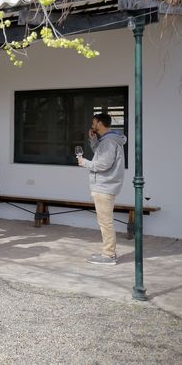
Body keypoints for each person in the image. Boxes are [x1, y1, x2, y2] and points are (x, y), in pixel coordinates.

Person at [78, 113, 127, 265]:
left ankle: (109, 255)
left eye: (94, 122)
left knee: (105, 222)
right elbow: (100, 155)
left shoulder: (109, 142)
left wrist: (84, 162)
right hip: (106, 185)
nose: (92, 125)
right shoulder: (108, 140)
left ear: (99, 123)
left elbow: (103, 164)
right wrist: (93, 139)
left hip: (104, 186)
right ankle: (108, 252)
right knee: (105, 222)